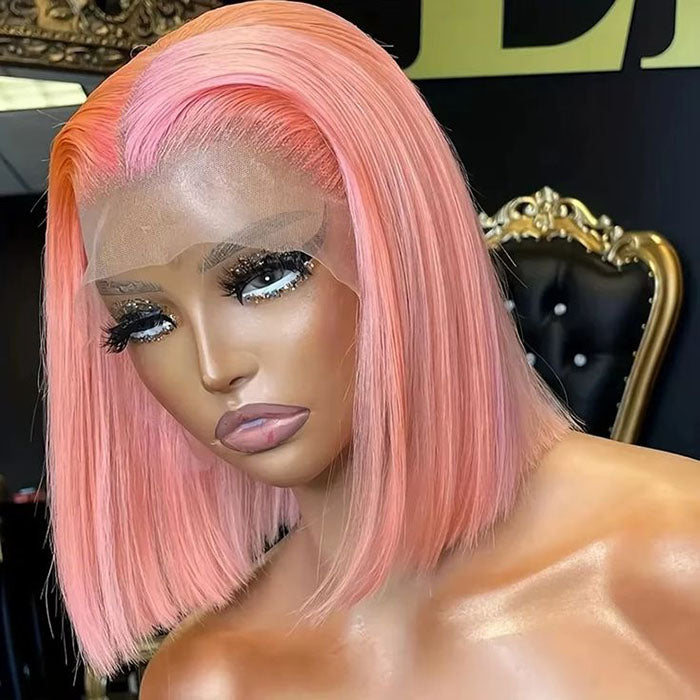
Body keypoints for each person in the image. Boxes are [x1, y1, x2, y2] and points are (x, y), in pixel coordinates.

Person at [43, 2, 700, 697]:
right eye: (145, 321)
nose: (214, 368)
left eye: (266, 277)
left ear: (398, 240)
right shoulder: (209, 678)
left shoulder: (676, 554)